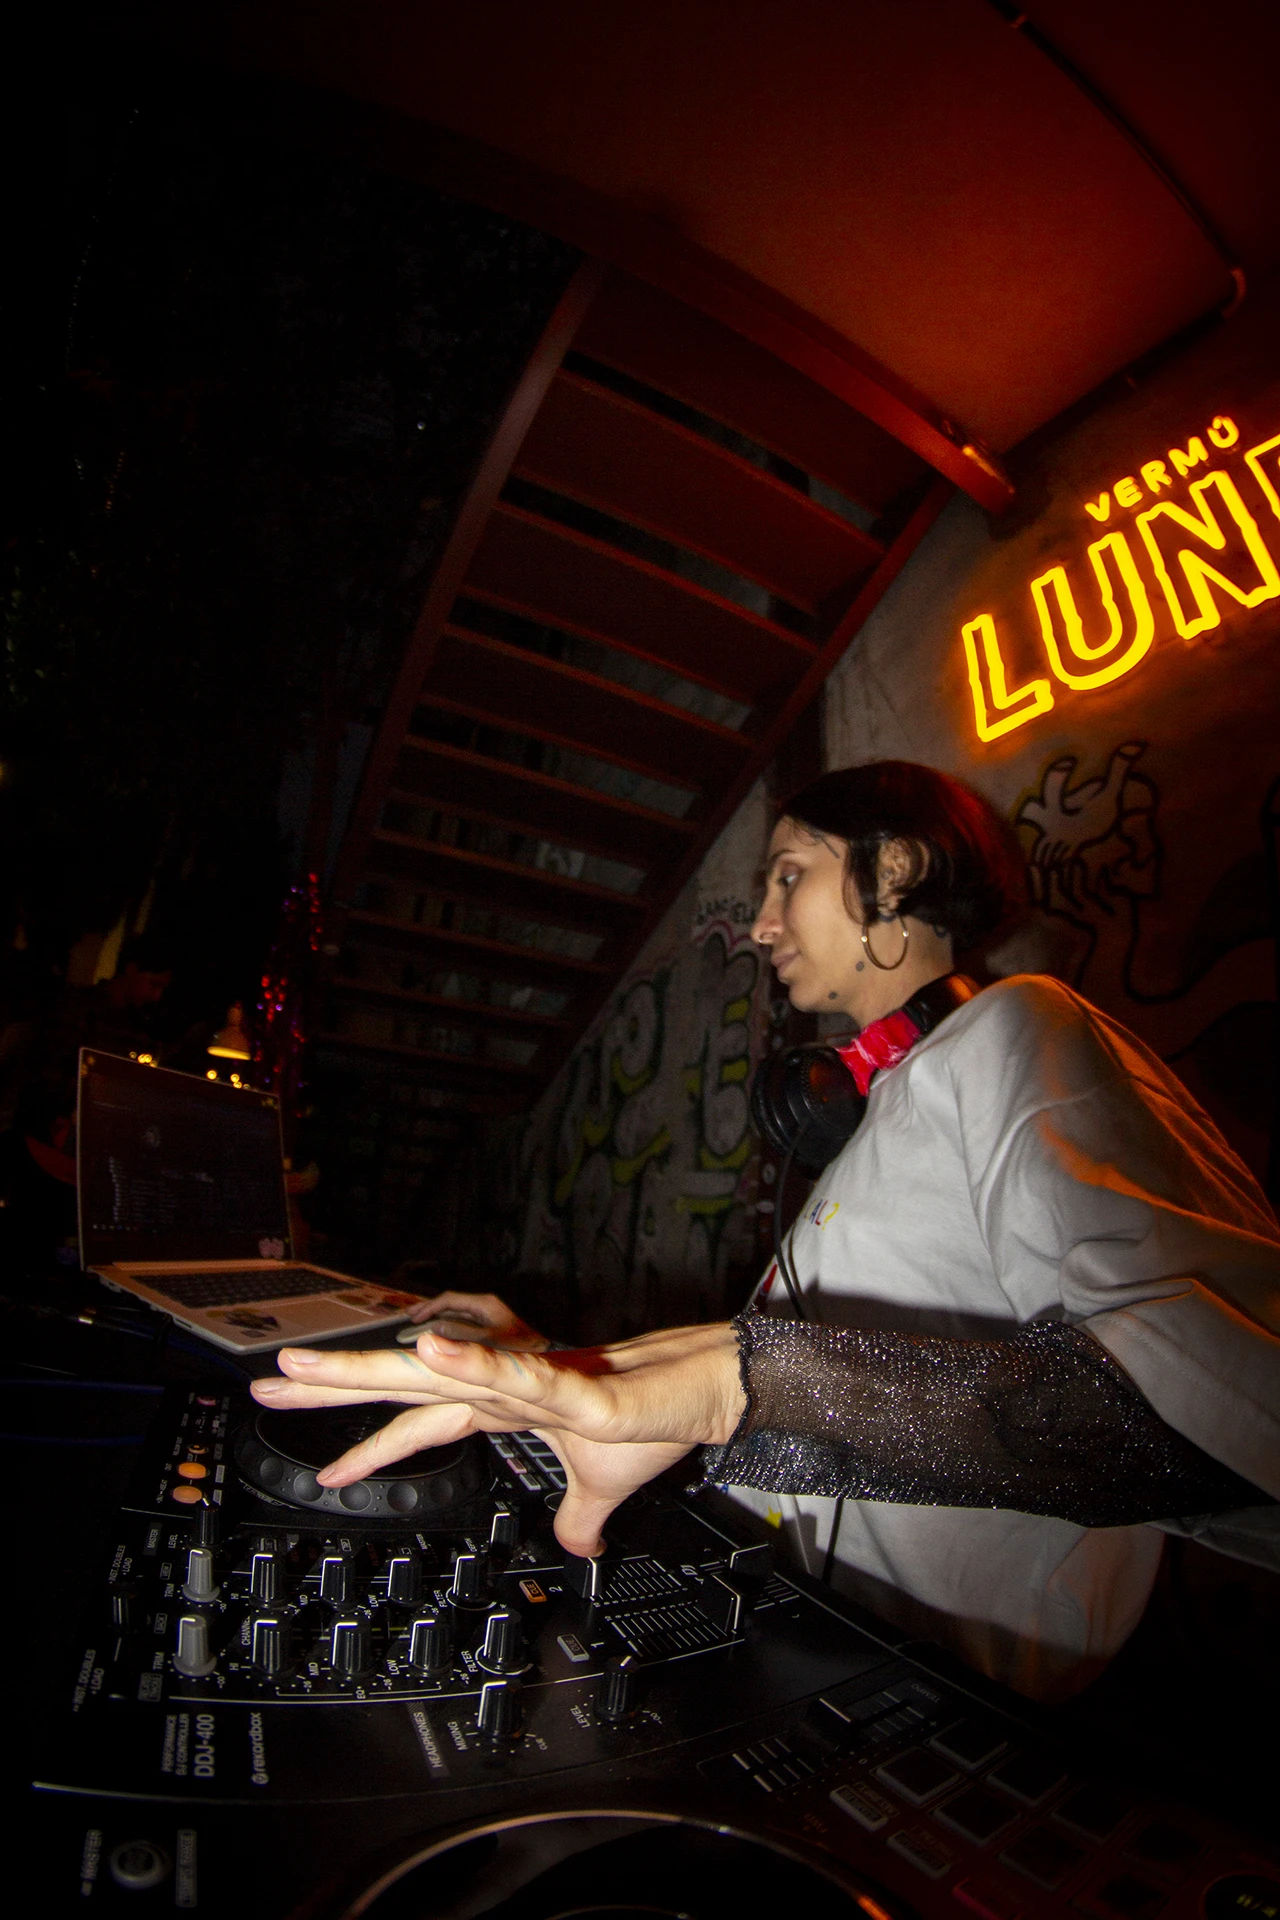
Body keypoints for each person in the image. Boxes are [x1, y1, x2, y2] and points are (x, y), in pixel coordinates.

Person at [253, 762, 1280, 1700]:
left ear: (894, 871)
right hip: (811, 1660)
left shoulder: (1021, 1028)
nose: (759, 923)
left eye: (788, 875)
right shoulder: (885, 1108)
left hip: (944, 1702)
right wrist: (564, 1364)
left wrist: (743, 1387)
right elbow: (798, 1402)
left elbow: (1234, 1419)